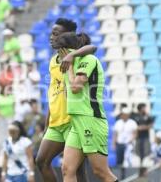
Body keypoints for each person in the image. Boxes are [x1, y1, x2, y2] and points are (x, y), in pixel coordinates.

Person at [51, 32, 117, 182]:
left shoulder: (88, 60)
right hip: (76, 122)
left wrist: (69, 68)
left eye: (60, 51)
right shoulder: (73, 64)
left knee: (100, 172)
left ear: (67, 51)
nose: (58, 55)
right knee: (67, 169)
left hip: (91, 120)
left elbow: (76, 88)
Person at [36, 18, 96, 182]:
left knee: (76, 171)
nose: (51, 37)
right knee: (41, 161)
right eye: (51, 33)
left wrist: (72, 55)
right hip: (56, 122)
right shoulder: (52, 61)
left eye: (55, 34)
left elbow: (93, 48)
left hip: (73, 122)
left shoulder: (78, 57)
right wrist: (48, 119)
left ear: (66, 36)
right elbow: (53, 90)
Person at [0, 86, 15, 150]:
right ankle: (4, 147)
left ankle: (11, 146)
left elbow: (13, 105)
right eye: (6, 89)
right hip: (2, 118)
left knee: (10, 131)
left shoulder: (11, 97)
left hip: (10, 117)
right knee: (2, 132)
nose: (8, 91)